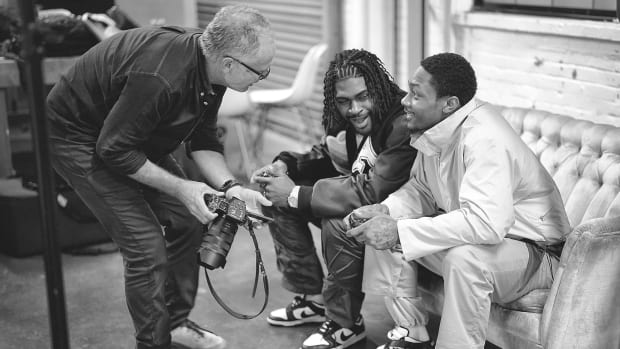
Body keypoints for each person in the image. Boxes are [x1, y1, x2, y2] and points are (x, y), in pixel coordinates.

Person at [46, 5, 275, 349]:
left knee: (186, 221)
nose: (264, 76)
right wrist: (184, 188)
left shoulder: (212, 69)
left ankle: (176, 323)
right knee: (145, 246)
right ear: (229, 63)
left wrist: (232, 187)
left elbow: (203, 139)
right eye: (261, 72)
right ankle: (153, 343)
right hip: (75, 134)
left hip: (127, 131)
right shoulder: (163, 76)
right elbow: (113, 150)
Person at [344, 52, 570, 349]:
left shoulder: (485, 138)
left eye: (416, 94)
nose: (404, 101)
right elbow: (422, 190)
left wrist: (398, 230)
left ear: (449, 103)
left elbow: (485, 223)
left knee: (464, 260)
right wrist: (386, 210)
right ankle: (411, 334)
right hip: (490, 242)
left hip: (536, 255)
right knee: (383, 229)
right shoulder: (437, 130)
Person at [252, 49, 417, 349]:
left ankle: (346, 324)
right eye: (344, 101)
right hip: (371, 201)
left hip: (402, 210)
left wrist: (294, 193)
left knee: (339, 219)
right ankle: (313, 300)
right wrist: (285, 164)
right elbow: (330, 153)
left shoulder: (402, 123)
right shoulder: (352, 117)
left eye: (363, 97)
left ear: (378, 87)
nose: (354, 109)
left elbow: (373, 190)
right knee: (277, 198)